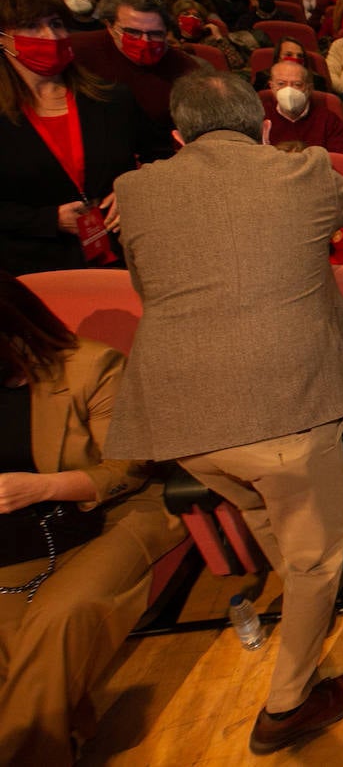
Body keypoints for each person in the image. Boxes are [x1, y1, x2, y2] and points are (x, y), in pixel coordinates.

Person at [106, 71, 343, 756]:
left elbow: (148, 286)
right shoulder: (303, 172)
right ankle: (288, 704)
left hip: (182, 421)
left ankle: (302, 613)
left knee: (266, 515)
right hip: (284, 409)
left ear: (179, 137)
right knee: (318, 557)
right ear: (265, 127)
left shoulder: (136, 191)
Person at [0, 272, 185, 764]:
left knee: (60, 616)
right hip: (20, 535)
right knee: (12, 640)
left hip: (113, 514)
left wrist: (41, 486)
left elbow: (130, 467)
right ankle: (60, 740)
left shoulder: (89, 366)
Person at [0, 0, 141, 275]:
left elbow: (159, 155)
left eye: (55, 24)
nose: (50, 36)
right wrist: (48, 220)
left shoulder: (112, 98)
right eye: (32, 27)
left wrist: (133, 188)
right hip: (30, 264)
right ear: (4, 39)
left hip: (120, 253)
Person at [69, 0, 198, 163]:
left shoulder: (186, 69)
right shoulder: (77, 50)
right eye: (133, 32)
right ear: (110, 27)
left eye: (155, 34)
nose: (145, 41)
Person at [265, 58, 343, 154]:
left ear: (309, 88)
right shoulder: (261, 117)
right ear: (271, 87)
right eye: (281, 84)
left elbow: (339, 158)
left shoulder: (329, 121)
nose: (288, 90)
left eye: (297, 84)